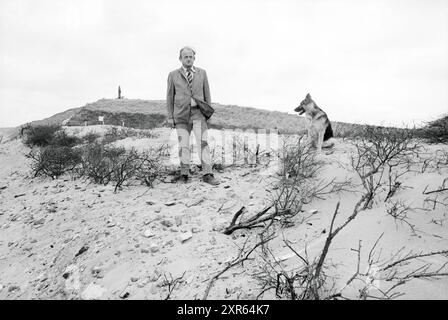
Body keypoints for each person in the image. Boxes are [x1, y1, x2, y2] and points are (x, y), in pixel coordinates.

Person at [166, 46, 219, 185]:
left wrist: (209, 113)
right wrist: (170, 117)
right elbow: (169, 97)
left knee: (203, 143)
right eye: (185, 57)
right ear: (180, 59)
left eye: (191, 56)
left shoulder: (202, 73)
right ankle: (184, 174)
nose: (188, 59)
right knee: (183, 145)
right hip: (181, 115)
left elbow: (207, 94)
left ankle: (208, 173)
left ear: (194, 58)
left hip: (199, 114)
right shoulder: (173, 75)